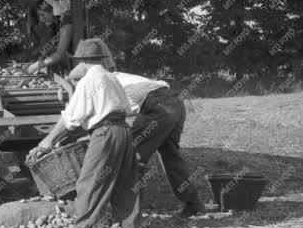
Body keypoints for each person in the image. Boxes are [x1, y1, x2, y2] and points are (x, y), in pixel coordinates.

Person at [69, 40, 206, 218]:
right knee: (171, 155)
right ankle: (194, 205)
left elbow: (109, 116)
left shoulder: (101, 82)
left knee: (133, 159)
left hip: (158, 106)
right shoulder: (114, 76)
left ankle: (130, 215)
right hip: (175, 102)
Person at [26, 39, 141, 228]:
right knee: (126, 181)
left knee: (90, 180)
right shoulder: (111, 77)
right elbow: (127, 109)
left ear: (84, 61)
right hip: (123, 130)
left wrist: (47, 142)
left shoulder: (89, 81)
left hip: (105, 134)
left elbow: (71, 118)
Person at [26, 0, 73, 75]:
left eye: (42, 15)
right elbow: (50, 44)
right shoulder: (55, 24)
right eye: (39, 16)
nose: (41, 19)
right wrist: (42, 57)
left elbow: (60, 54)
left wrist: (37, 66)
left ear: (52, 11)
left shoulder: (66, 21)